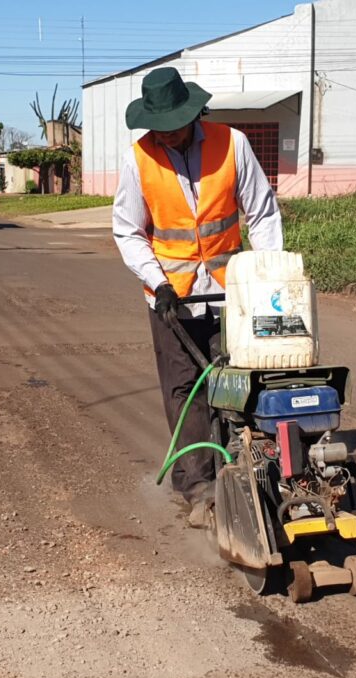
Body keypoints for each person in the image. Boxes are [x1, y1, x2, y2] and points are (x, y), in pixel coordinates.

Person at [112, 66, 283, 528]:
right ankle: (198, 489)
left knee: (238, 382)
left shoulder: (232, 144)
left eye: (175, 126)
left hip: (233, 293)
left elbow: (262, 213)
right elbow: (128, 232)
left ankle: (248, 470)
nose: (167, 136)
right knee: (185, 390)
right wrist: (159, 281)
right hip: (172, 299)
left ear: (193, 113)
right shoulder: (138, 160)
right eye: (158, 129)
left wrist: (268, 272)